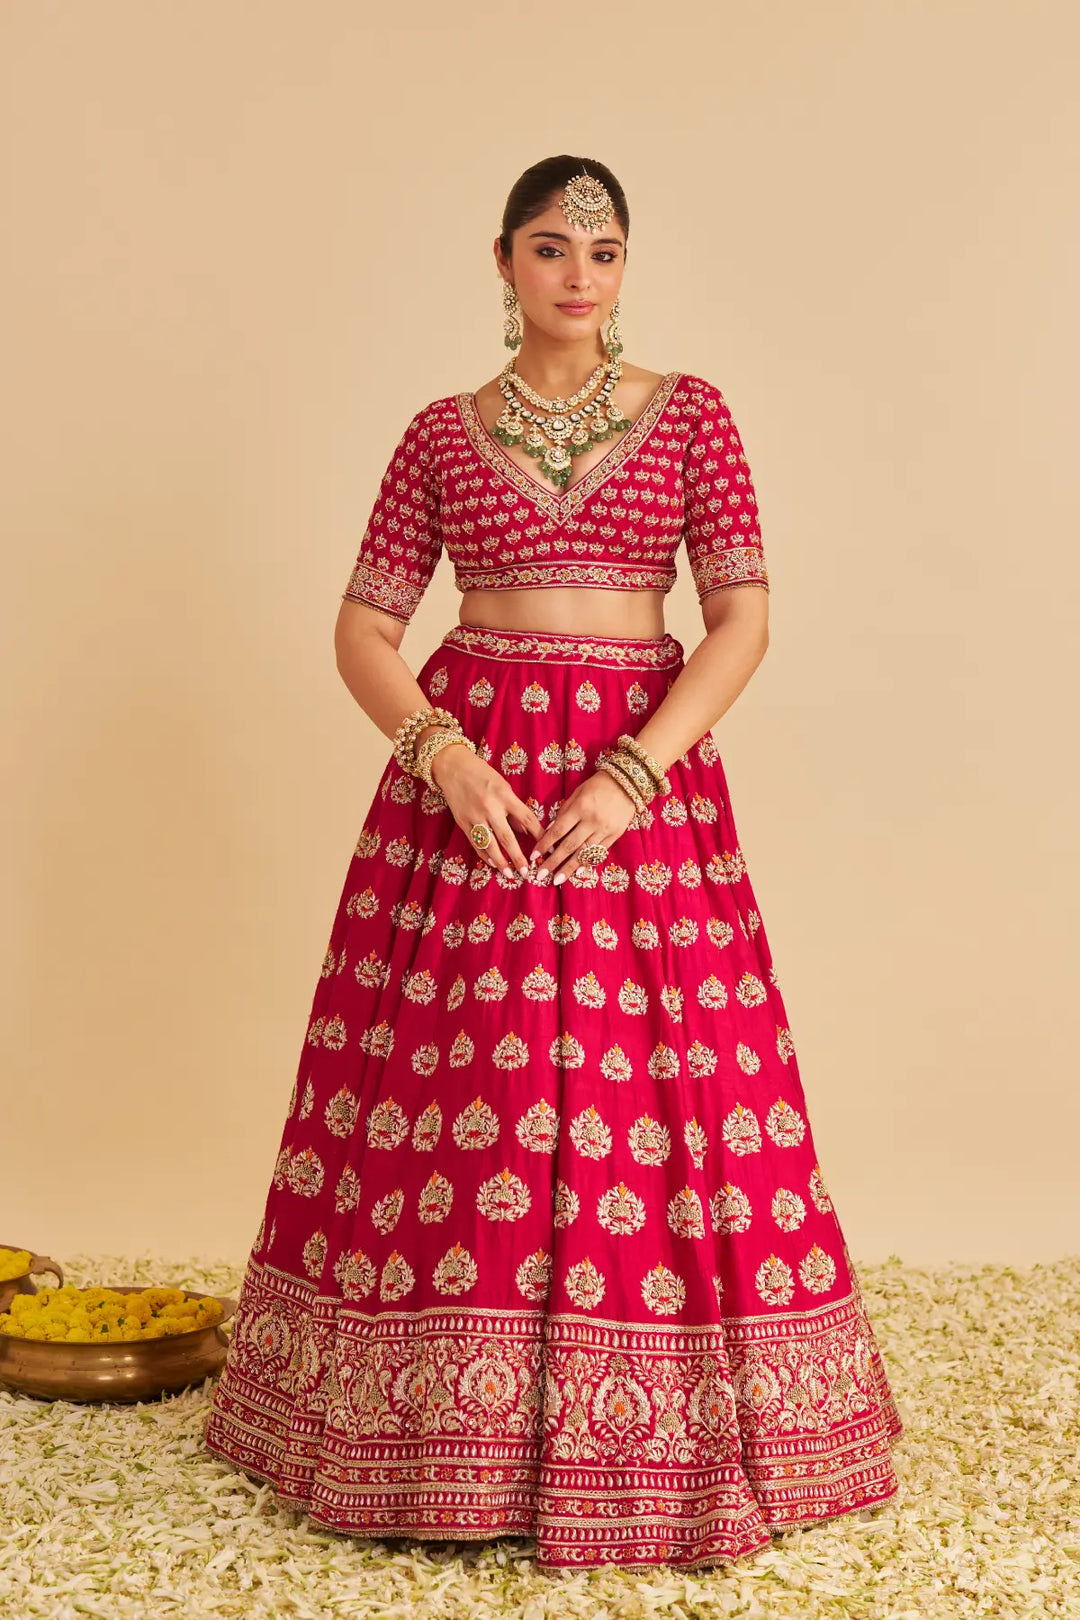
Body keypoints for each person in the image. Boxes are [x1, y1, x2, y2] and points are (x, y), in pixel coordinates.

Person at [204, 154, 903, 1573]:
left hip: (637, 787)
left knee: (662, 1079)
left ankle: (652, 1438)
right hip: (477, 790)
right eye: (549, 247)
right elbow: (363, 629)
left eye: (603, 249)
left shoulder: (692, 414)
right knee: (474, 1076)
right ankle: (431, 1441)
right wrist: (443, 757)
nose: (579, 273)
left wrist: (635, 769)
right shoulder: (440, 435)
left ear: (626, 268)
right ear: (504, 265)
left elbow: (742, 618)